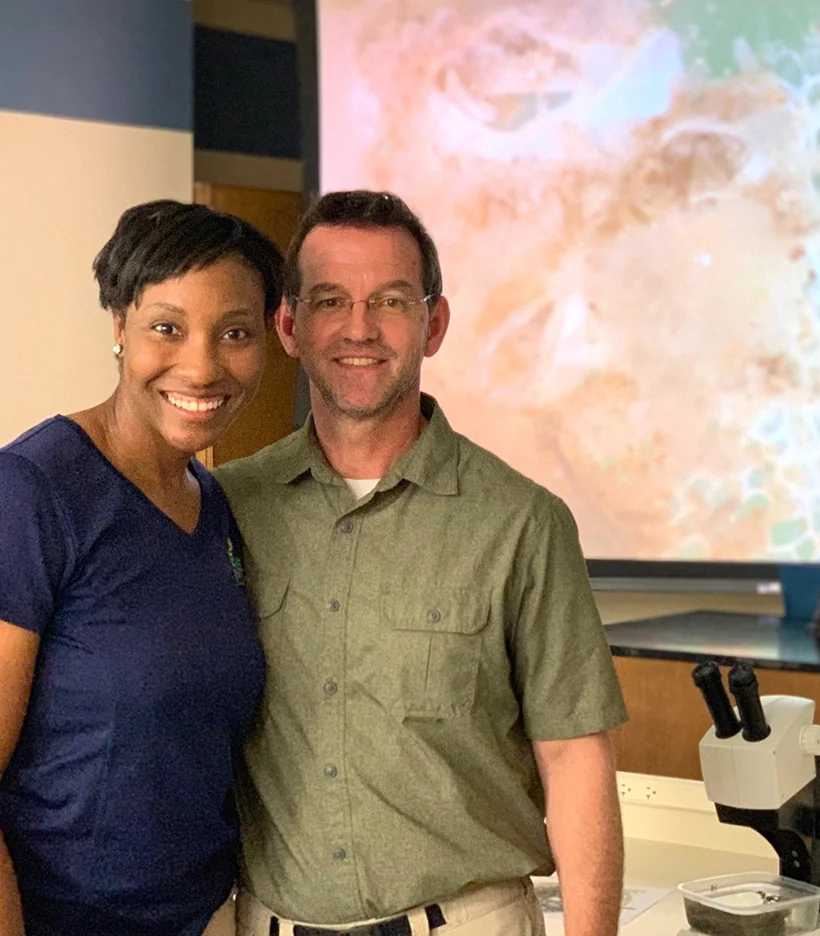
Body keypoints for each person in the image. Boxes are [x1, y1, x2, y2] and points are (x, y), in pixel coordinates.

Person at [215, 190, 629, 936]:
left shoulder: (521, 523)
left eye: (392, 301)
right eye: (330, 301)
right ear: (289, 326)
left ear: (434, 325)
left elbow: (574, 758)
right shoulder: (229, 509)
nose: (360, 328)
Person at [0, 200, 285, 936]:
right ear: (119, 326)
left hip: (207, 915)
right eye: (168, 327)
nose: (202, 366)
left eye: (235, 333)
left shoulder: (214, 505)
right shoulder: (34, 491)